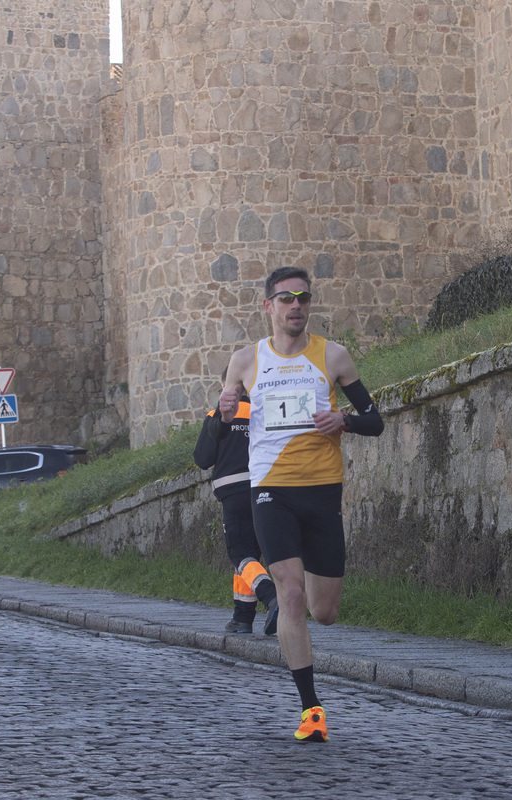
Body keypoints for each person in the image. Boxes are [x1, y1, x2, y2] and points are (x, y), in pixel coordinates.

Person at [219, 266, 384, 743]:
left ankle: (305, 627)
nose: (296, 306)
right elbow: (217, 430)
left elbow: (375, 421)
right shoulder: (245, 362)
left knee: (323, 610)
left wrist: (344, 421)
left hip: (321, 491)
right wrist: (223, 415)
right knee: (289, 594)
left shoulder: (334, 356)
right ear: (268, 306)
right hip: (270, 490)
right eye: (286, 298)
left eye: (304, 298)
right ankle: (311, 708)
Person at [193, 369, 278, 635]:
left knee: (240, 553)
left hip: (234, 492)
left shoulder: (217, 416)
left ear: (226, 385)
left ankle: (271, 596)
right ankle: (242, 618)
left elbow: (203, 459)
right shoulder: (265, 411)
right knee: (251, 557)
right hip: (267, 489)